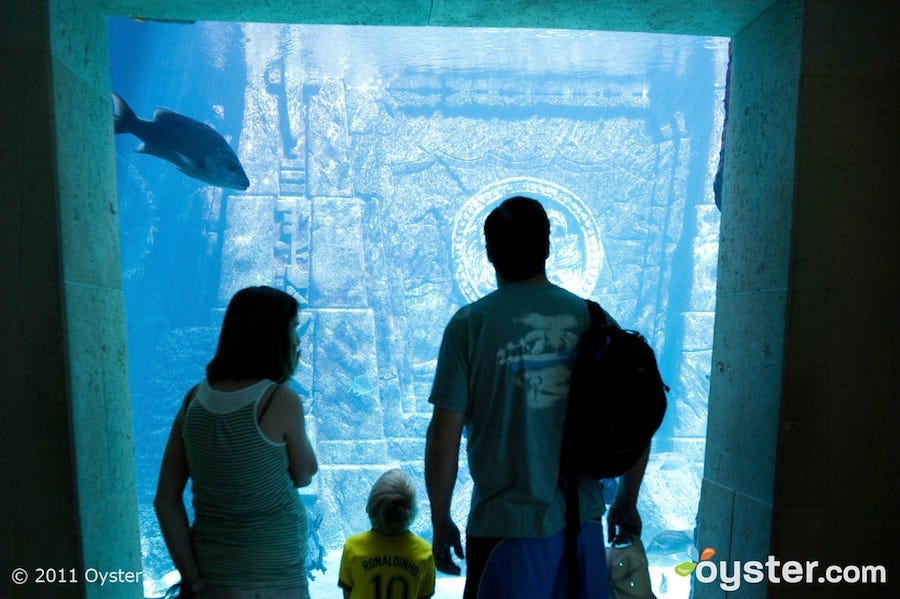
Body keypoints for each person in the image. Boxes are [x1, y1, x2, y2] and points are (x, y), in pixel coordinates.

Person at [424, 196, 649, 598]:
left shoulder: (469, 326)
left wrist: (440, 519)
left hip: (503, 529)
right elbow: (640, 413)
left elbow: (443, 438)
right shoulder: (591, 318)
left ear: (490, 253)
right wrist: (626, 501)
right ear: (548, 248)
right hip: (583, 528)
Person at [155, 285, 319, 599]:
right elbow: (305, 473)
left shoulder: (193, 400)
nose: (298, 341)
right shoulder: (279, 400)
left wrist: (192, 577)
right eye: (292, 329)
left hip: (213, 579)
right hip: (277, 579)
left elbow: (166, 500)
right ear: (271, 337)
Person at [338, 469, 436, 599]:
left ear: (370, 508)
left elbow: (348, 595)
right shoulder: (425, 552)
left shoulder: (353, 546)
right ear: (412, 511)